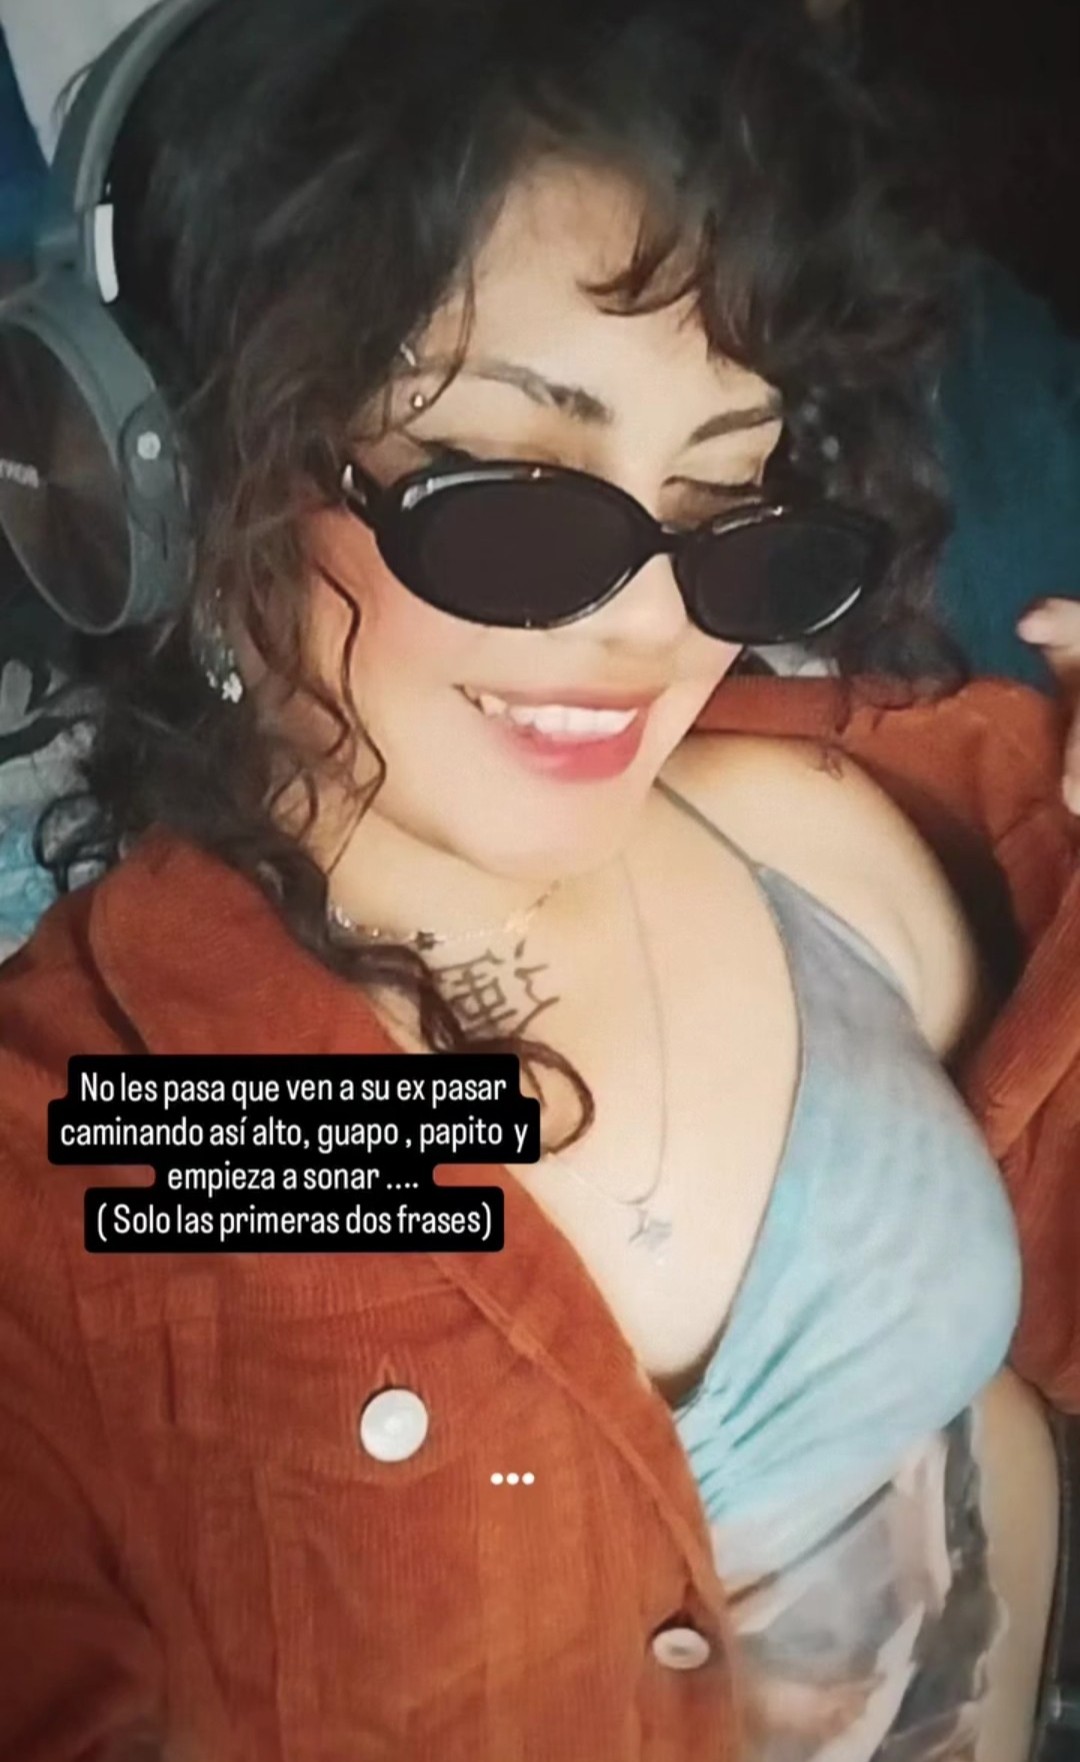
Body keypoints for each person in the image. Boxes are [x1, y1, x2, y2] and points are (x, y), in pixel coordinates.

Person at [0, 3, 1077, 1760]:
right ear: (178, 474)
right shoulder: (79, 1154)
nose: (647, 629)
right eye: (509, 502)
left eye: (728, 508)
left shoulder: (843, 812)